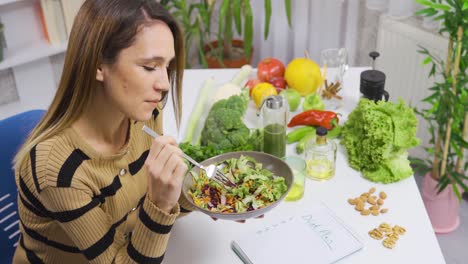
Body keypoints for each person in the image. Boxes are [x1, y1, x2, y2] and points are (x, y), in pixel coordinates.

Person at [13, 0, 195, 263]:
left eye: (167, 66)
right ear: (99, 65)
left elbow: (137, 213)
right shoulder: (58, 169)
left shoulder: (144, 115)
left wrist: (215, 198)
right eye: (149, 67)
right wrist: (160, 204)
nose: (165, 83)